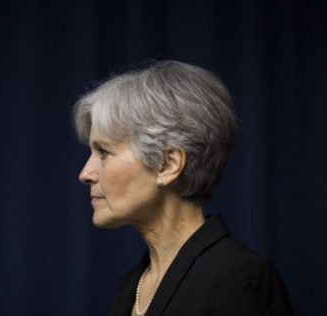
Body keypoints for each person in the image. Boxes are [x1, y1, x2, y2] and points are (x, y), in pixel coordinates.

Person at [73, 61, 293, 315]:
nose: (85, 174)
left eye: (103, 152)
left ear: (168, 165)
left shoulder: (239, 278)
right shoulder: (130, 286)